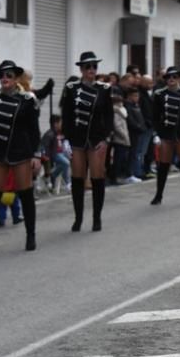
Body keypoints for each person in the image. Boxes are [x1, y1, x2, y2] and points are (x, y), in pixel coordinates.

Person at [0, 60, 40, 252]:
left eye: (9, 76)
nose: (5, 79)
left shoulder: (28, 100)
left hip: (21, 152)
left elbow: (34, 130)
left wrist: (36, 154)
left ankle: (31, 235)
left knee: (26, 194)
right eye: (2, 76)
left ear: (16, 79)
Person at [60, 51, 112, 231]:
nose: (91, 69)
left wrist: (106, 138)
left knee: (98, 178)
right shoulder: (72, 88)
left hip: (97, 138)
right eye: (87, 66)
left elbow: (109, 116)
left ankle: (97, 218)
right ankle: (78, 217)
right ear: (81, 69)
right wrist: (65, 138)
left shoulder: (104, 89)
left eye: (94, 66)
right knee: (77, 178)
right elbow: (66, 115)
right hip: (76, 137)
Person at [150, 66, 180, 205]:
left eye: (174, 77)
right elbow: (155, 116)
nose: (171, 79)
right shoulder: (159, 94)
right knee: (163, 165)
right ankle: (158, 195)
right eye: (169, 77)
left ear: (179, 78)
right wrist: (156, 133)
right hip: (166, 132)